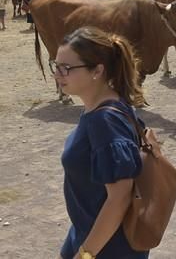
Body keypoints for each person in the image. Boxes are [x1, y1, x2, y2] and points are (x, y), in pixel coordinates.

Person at [55, 26, 149, 259]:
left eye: (66, 68)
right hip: (89, 232)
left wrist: (86, 254)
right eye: (56, 65)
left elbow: (119, 198)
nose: (58, 74)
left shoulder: (104, 121)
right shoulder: (106, 105)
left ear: (97, 70)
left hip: (110, 248)